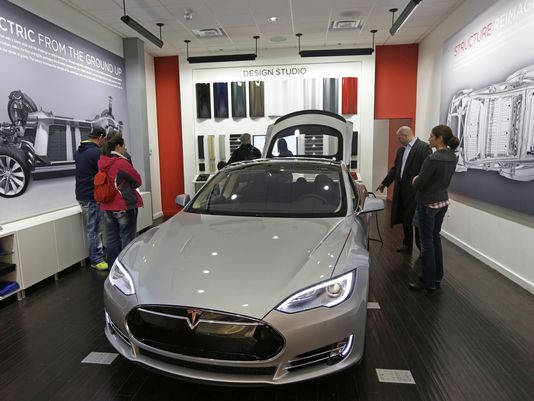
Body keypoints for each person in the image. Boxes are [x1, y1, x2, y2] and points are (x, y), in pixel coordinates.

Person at [409, 125, 460, 291]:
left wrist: (415, 179)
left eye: (431, 136)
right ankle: (437, 276)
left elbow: (421, 183)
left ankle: (428, 281)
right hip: (442, 202)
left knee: (426, 243)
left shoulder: (433, 159)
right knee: (435, 238)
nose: (429, 139)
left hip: (428, 204)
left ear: (439, 139)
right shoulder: (453, 157)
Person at [376, 126, 431, 252]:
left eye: (399, 138)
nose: (398, 140)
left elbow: (426, 170)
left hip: (416, 191)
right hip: (402, 190)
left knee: (416, 220)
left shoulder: (424, 148)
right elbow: (395, 169)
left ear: (405, 135)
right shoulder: (401, 151)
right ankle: (407, 244)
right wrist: (385, 183)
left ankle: (421, 247)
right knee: (406, 217)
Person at [98, 135, 144, 266]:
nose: (125, 149)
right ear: (118, 146)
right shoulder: (121, 163)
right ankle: (126, 267)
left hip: (107, 207)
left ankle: (113, 267)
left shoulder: (102, 163)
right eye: (124, 146)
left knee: (111, 239)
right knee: (127, 239)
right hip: (124, 205)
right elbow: (138, 181)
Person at [74, 127, 108, 270]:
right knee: (94, 229)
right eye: (104, 139)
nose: (104, 142)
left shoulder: (79, 151)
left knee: (95, 228)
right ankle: (96, 259)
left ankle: (99, 253)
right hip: (91, 196)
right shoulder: (96, 153)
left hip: (82, 194)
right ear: (100, 137)